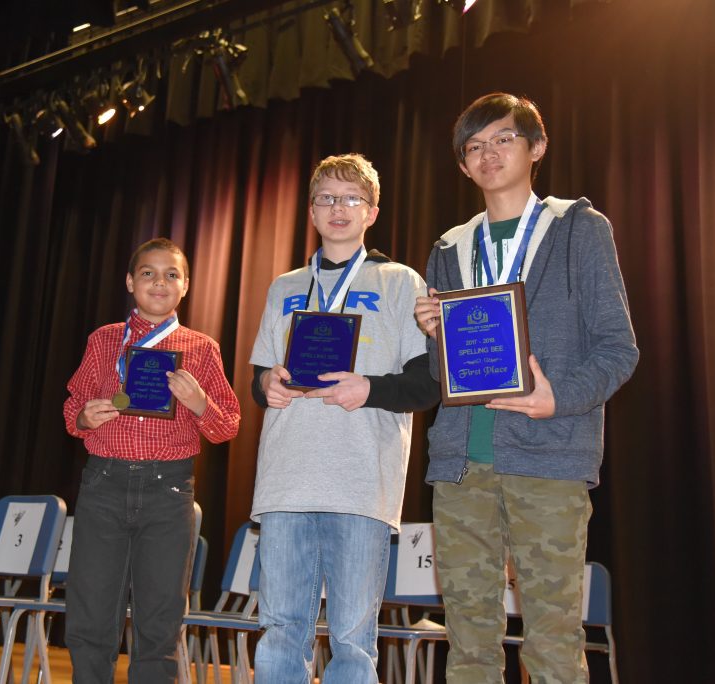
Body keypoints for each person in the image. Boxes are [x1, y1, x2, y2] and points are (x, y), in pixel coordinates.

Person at [413, 93, 639, 683]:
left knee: (553, 643)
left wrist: (557, 398)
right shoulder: (450, 247)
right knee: (468, 643)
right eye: (474, 146)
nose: (487, 154)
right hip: (461, 466)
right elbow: (443, 375)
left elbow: (619, 348)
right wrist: (435, 335)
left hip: (549, 458)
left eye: (503, 139)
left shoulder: (579, 229)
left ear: (537, 148)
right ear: (463, 165)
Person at [249, 153, 440, 683]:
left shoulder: (400, 281)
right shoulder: (284, 285)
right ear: (311, 211)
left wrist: (368, 388)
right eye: (327, 198)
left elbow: (427, 383)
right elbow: (261, 375)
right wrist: (266, 385)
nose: (339, 208)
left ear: (372, 212)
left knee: (353, 643)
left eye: (352, 198)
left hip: (361, 483)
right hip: (285, 481)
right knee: (280, 630)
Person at [62, 237, 241, 683]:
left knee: (160, 619)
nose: (159, 282)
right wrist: (84, 417)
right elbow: (73, 407)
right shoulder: (104, 340)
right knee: (90, 612)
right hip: (104, 485)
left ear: (186, 286)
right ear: (130, 282)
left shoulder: (202, 348)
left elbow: (227, 426)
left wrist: (199, 403)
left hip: (169, 491)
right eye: (148, 273)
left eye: (171, 275)